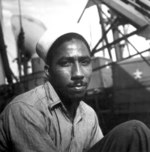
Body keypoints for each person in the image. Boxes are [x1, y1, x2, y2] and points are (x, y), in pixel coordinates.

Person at [0, 23, 150, 152]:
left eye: (84, 62)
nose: (78, 73)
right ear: (48, 71)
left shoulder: (88, 114)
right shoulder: (26, 109)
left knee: (133, 133)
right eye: (66, 63)